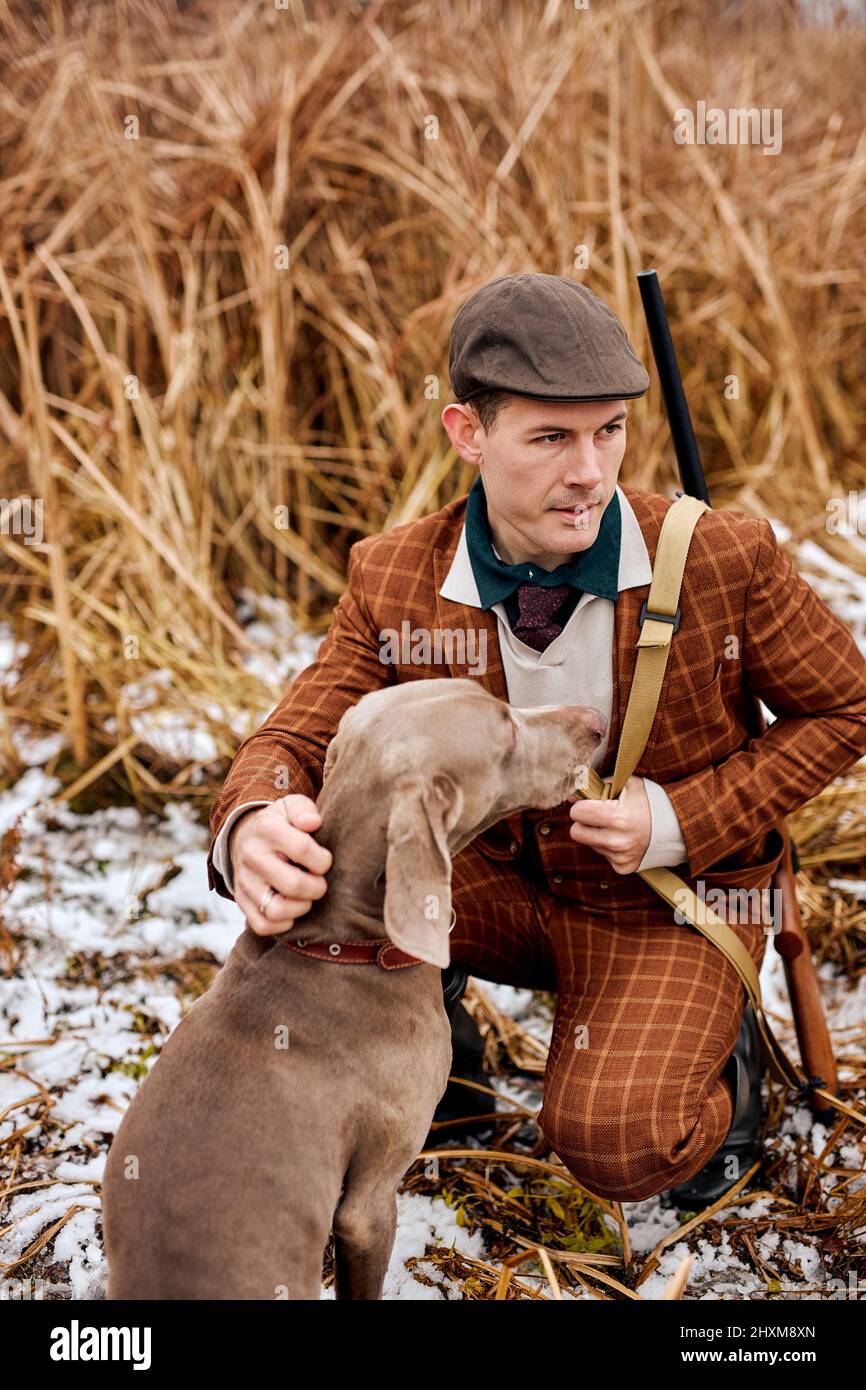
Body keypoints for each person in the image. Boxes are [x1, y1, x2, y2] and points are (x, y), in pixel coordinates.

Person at [206, 271, 866, 1209]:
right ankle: (435, 1057)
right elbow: (301, 734)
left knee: (619, 1146)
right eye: (551, 437)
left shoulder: (722, 557)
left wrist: (682, 816)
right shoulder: (395, 574)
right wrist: (253, 822)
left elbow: (846, 707)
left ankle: (722, 1068)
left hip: (665, 901)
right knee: (313, 858)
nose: (590, 471)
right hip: (497, 884)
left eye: (610, 431)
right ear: (467, 433)